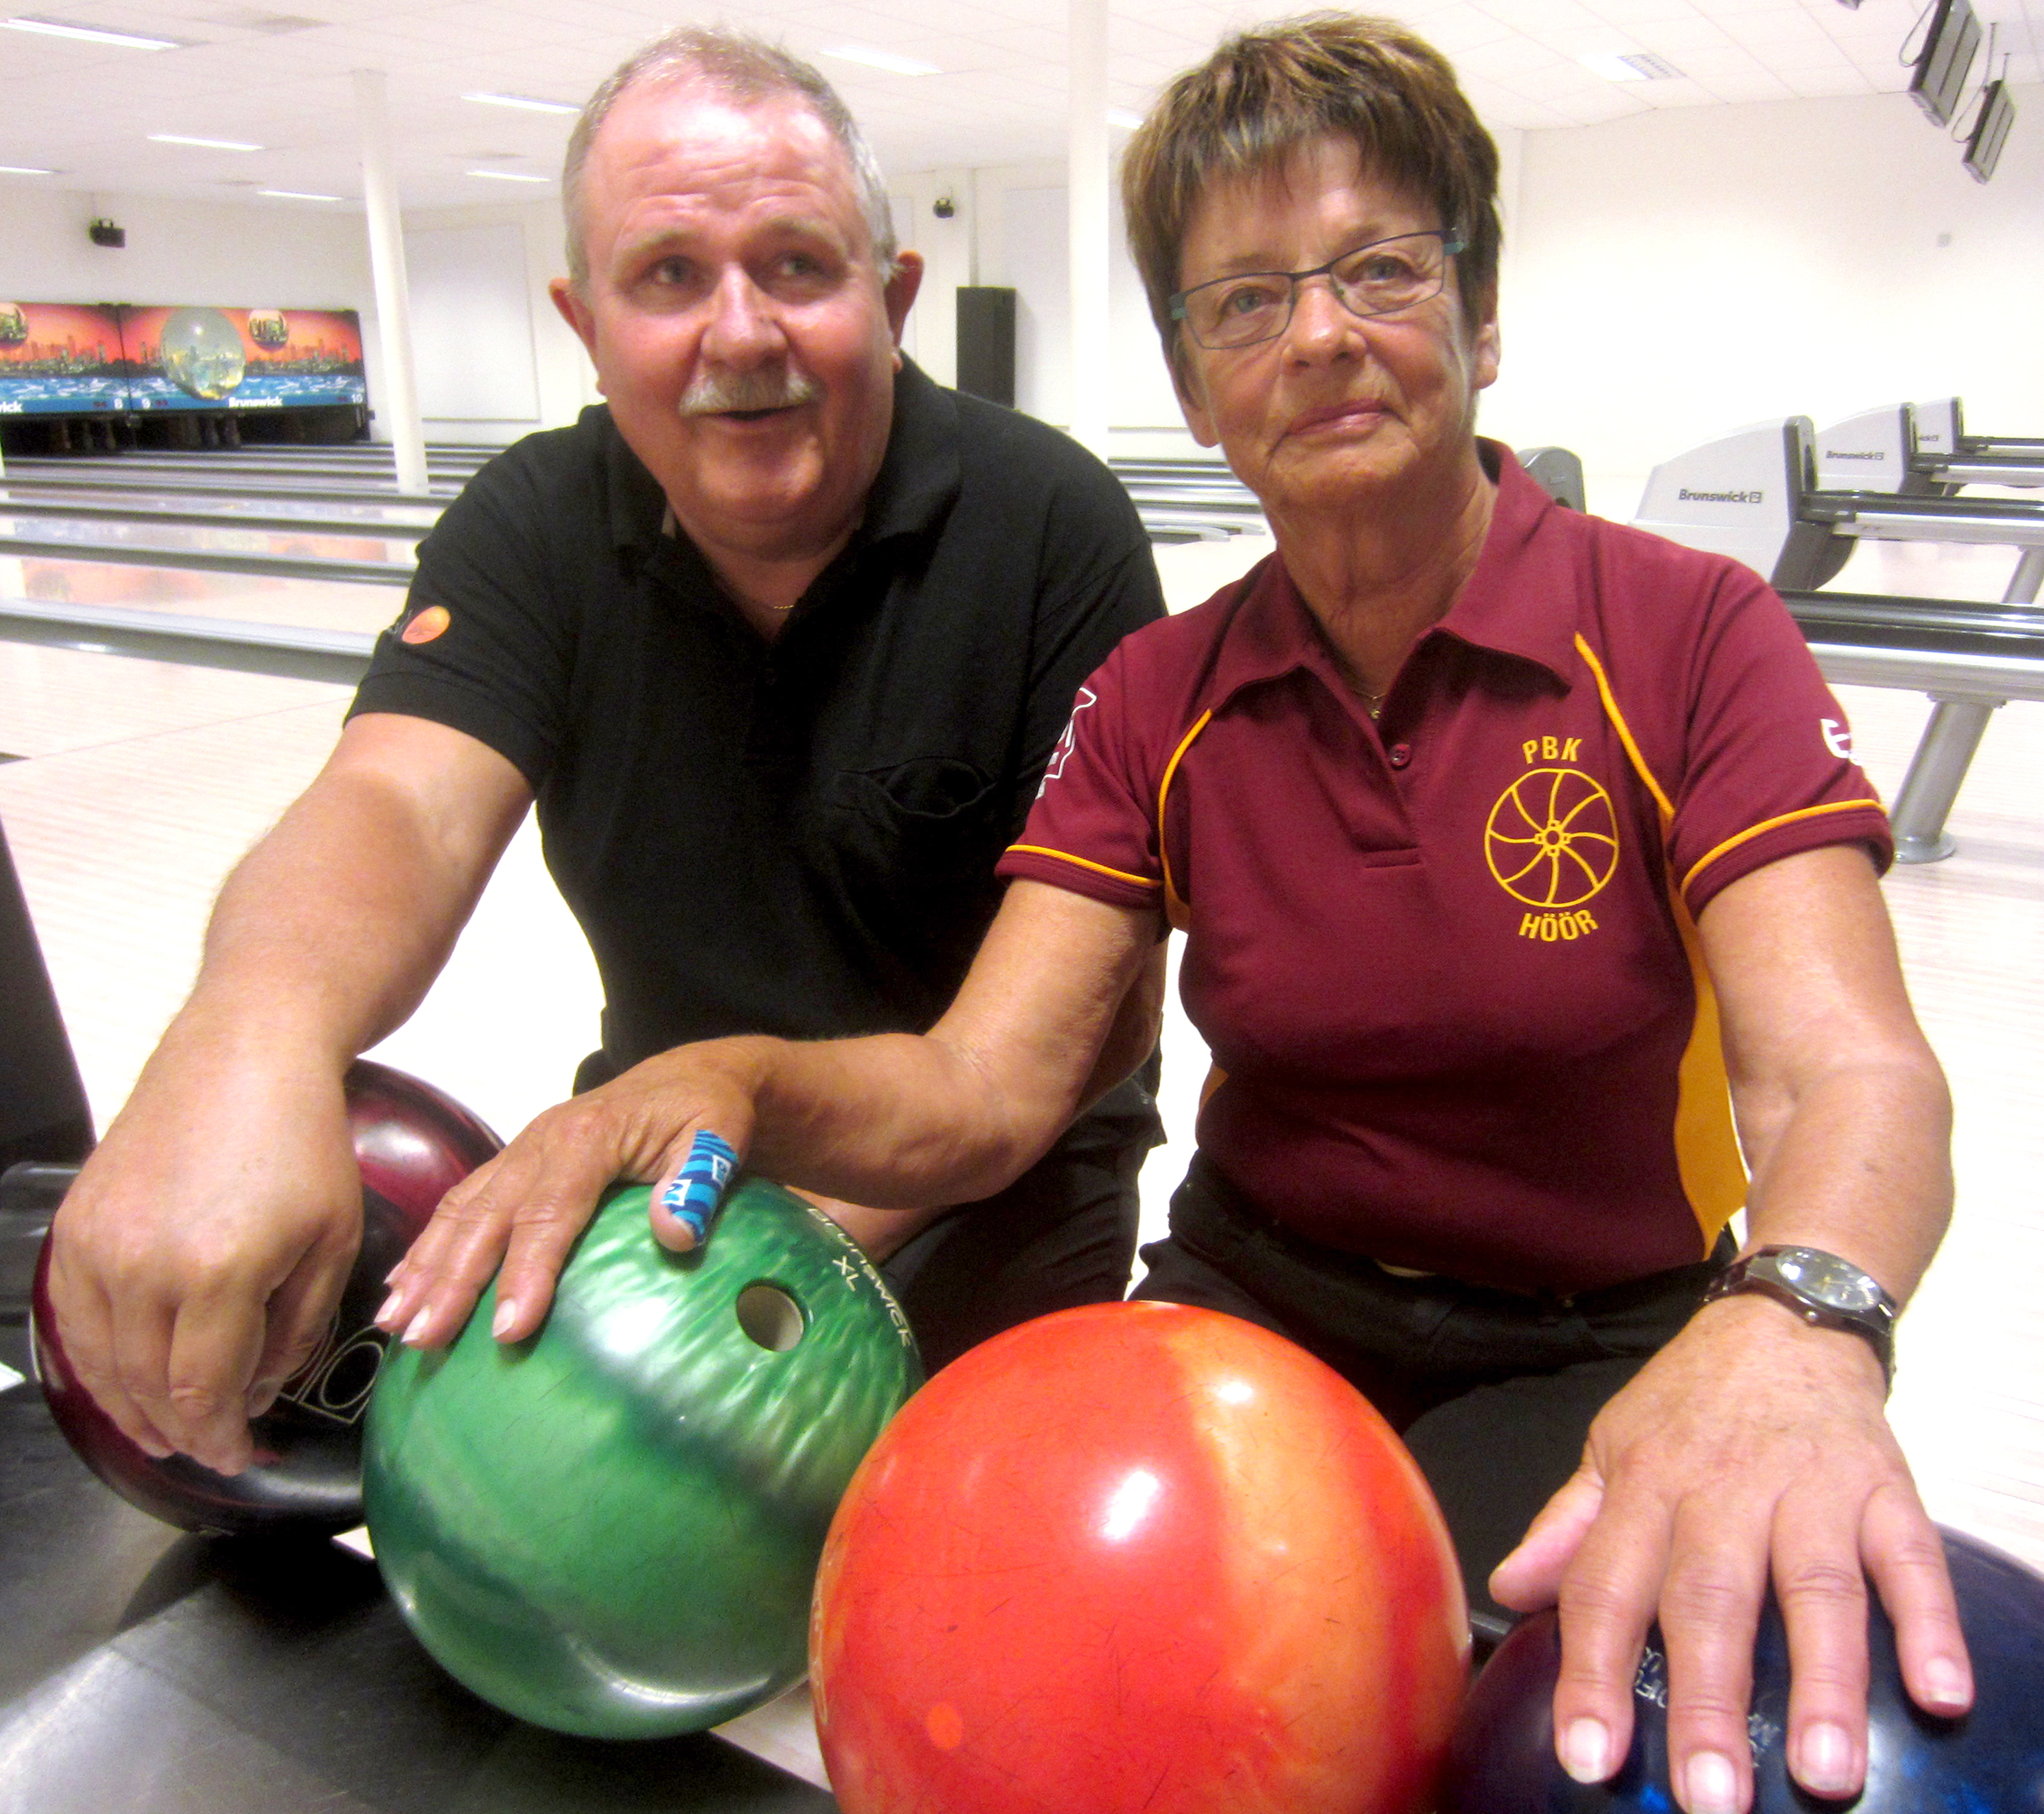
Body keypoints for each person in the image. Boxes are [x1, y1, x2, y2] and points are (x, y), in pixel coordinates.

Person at [388, 16, 1975, 1814]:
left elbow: (1850, 1075)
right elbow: (988, 1086)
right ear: (1198, 382)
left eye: (1381, 268)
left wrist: (1793, 1322)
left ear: (1483, 311)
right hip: (1242, 1311)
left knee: (1469, 1739)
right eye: (1245, 301)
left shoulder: (1686, 633)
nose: (1318, 334)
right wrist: (735, 1077)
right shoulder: (1159, 695)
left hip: (1592, 1330)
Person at [43, 29, 1165, 1475]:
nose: (741, 332)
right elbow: (396, 798)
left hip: (986, 1191)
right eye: (669, 277)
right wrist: (245, 1038)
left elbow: (1082, 1033)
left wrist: (767, 1233)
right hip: (667, 1155)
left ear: (893, 300)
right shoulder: (536, 523)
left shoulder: (1051, 530)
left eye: (799, 266)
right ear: (586, 325)